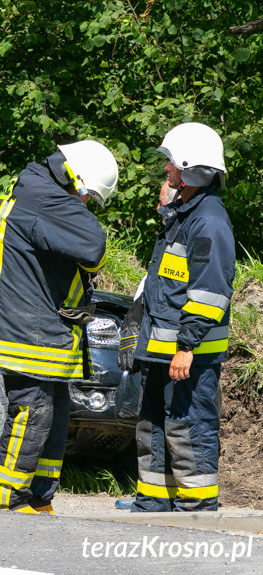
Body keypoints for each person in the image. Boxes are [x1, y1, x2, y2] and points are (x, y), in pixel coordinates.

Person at [0, 140, 119, 514]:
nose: (84, 205)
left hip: (40, 328)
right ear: (76, 180)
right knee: (33, 410)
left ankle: (38, 496)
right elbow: (93, 247)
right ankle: (7, 498)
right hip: (27, 332)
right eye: (87, 197)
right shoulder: (46, 199)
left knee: (53, 411)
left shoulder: (39, 192)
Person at [123, 123, 233, 512]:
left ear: (189, 168)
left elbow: (210, 293)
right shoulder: (186, 216)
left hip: (189, 354)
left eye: (170, 163)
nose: (166, 170)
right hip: (162, 350)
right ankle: (152, 500)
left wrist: (187, 347)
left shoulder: (208, 221)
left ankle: (198, 506)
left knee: (188, 427)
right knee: (153, 425)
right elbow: (163, 284)